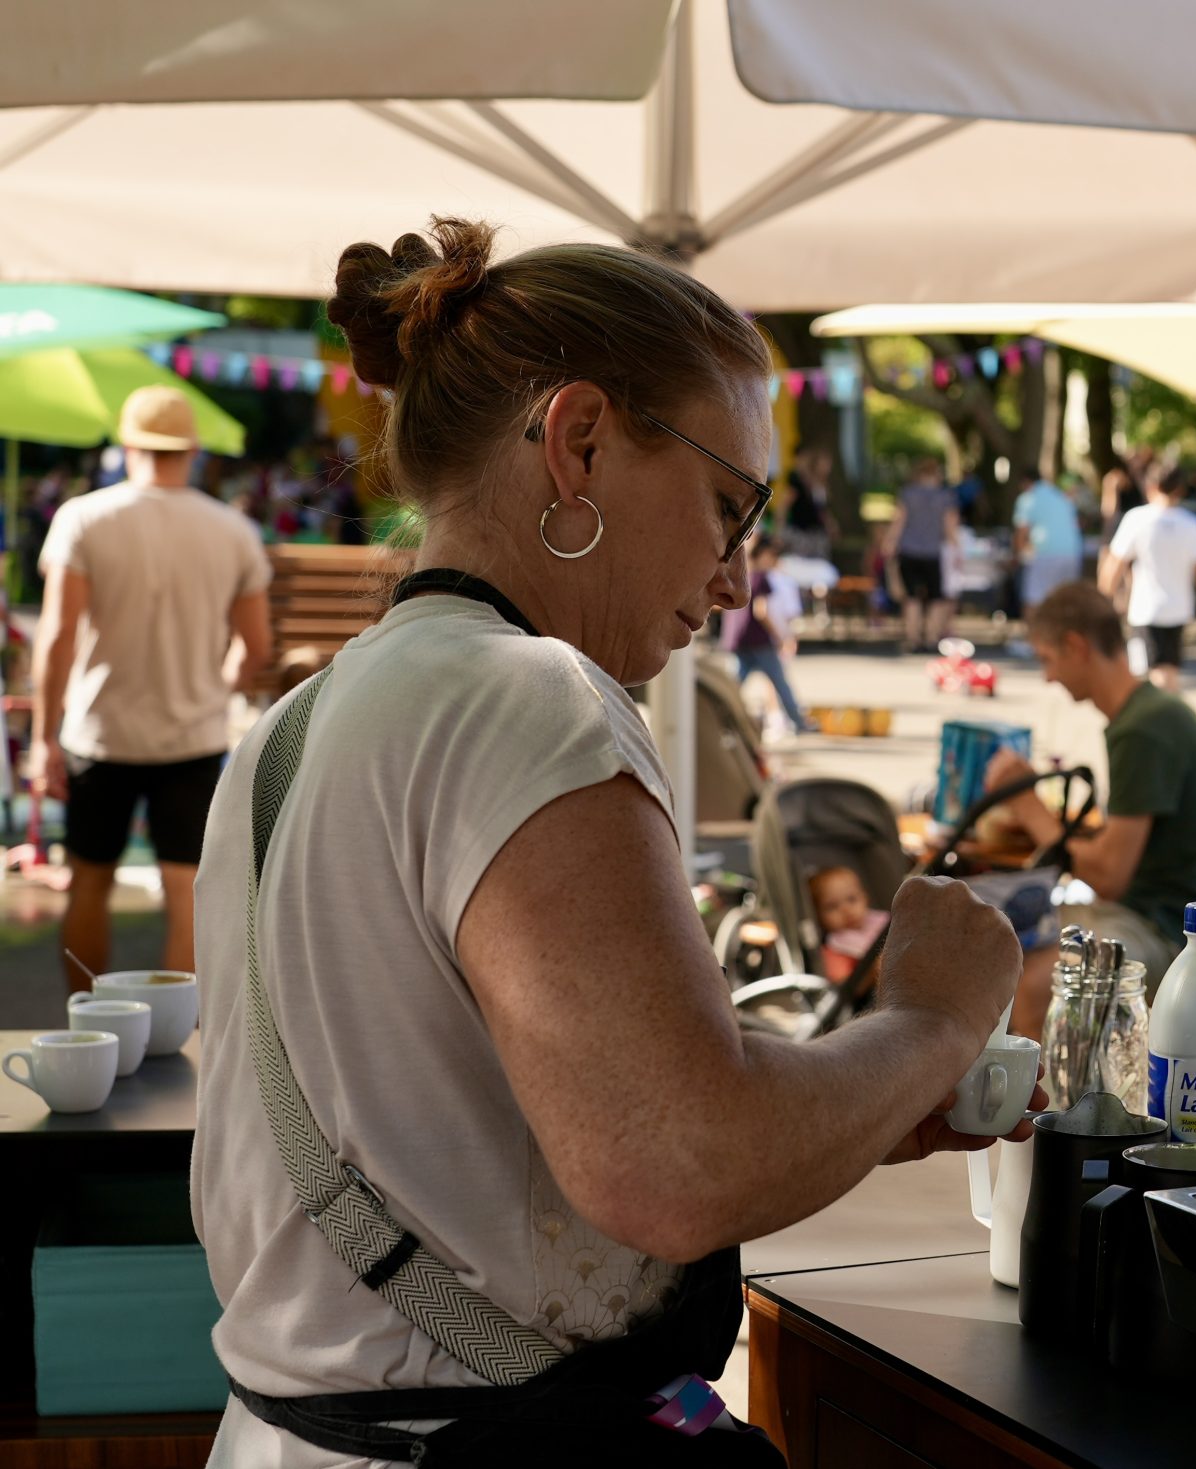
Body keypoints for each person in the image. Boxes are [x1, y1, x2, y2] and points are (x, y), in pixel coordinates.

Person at [192, 219, 1034, 1464]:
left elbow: (509, 1116)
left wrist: (850, 1094)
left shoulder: (297, 724)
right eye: (729, 506)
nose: (735, 577)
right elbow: (677, 1165)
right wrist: (934, 1020)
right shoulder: (530, 696)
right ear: (580, 440)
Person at [30, 386, 272, 985]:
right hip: (193, 736)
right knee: (186, 891)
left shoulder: (84, 518)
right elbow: (256, 646)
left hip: (100, 733)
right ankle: (173, 1032)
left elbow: (57, 636)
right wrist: (217, 688)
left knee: (89, 882)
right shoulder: (233, 529)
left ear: (128, 445)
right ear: (191, 449)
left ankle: (85, 1019)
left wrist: (42, 738)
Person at [980, 583, 1196, 1037]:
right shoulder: (1148, 714)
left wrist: (1027, 805)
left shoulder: (1143, 728)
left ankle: (1043, 1086)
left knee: (1034, 980)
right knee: (989, 938)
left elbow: (1111, 875)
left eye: (1047, 659)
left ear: (1076, 647)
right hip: (1158, 917)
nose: (1047, 677)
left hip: (1164, 932)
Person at [1102, 465, 1196, 692]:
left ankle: (1163, 713)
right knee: (1168, 671)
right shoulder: (1192, 524)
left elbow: (1114, 565)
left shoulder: (1137, 519)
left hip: (1145, 609)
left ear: (1151, 486)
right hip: (1179, 609)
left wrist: (1102, 601)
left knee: (1152, 675)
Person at [725, 538, 814, 734]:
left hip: (737, 638)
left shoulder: (740, 575)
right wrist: (780, 637)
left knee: (733, 684)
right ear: (762, 555)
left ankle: (722, 718)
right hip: (759, 640)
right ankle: (799, 722)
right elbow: (761, 611)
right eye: (772, 555)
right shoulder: (760, 577)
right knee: (780, 682)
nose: (774, 560)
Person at [886, 456, 959, 652]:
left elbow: (898, 522)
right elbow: (950, 527)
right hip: (933, 553)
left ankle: (913, 638)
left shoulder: (908, 494)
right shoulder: (944, 497)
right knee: (936, 598)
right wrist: (957, 550)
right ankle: (931, 637)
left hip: (909, 551)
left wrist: (889, 543)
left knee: (911, 597)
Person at [1011, 465, 1083, 611]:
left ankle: (1033, 627)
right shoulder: (1060, 495)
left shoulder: (1028, 498)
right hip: (1073, 553)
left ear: (1025, 482)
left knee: (1033, 600)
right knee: (1065, 602)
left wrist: (1018, 557)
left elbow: (1021, 533)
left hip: (1045, 554)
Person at [808, 865, 889, 984]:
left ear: (865, 897)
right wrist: (871, 973)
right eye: (832, 906)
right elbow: (846, 988)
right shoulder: (834, 950)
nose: (846, 911)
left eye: (852, 899)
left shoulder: (882, 922)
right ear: (818, 915)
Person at [781, 444, 836, 561]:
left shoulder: (822, 486)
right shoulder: (799, 482)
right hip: (802, 532)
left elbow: (821, 510)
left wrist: (830, 524)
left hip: (817, 533)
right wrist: (780, 529)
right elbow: (784, 505)